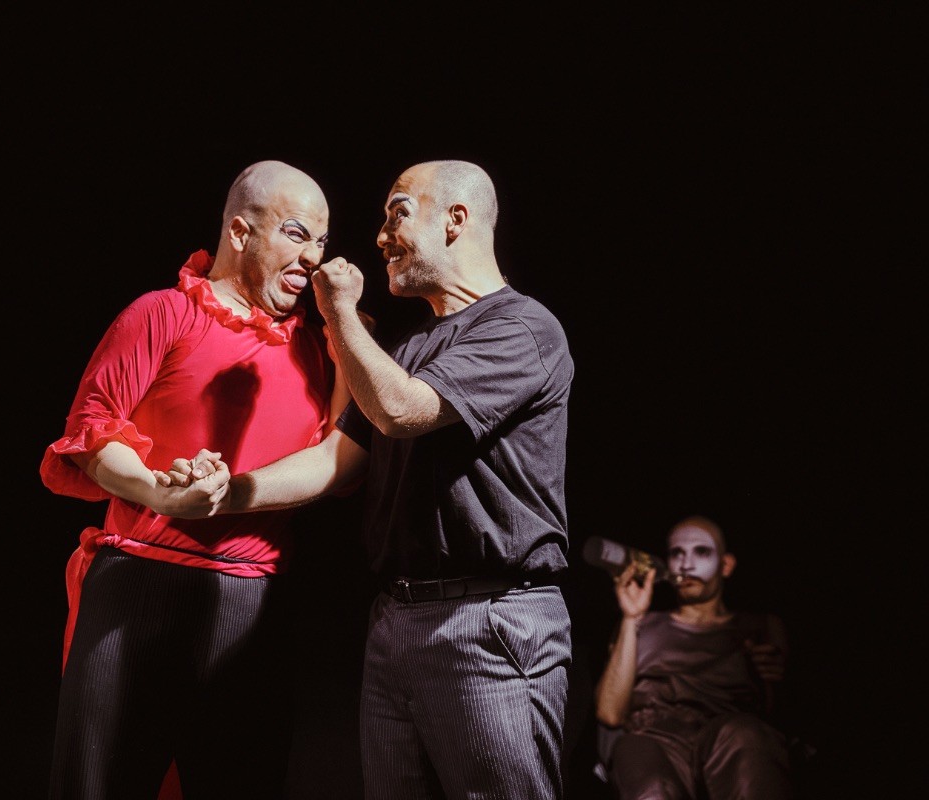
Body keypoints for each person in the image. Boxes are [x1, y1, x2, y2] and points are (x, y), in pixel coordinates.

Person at [161, 160, 575, 799]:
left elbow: (402, 411)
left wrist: (340, 314)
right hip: (398, 621)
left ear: (456, 220)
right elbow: (337, 461)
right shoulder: (407, 351)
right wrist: (224, 495)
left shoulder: (521, 327)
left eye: (397, 214)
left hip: (489, 620)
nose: (380, 237)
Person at [39, 159, 350, 800]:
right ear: (239, 232)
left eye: (321, 241)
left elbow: (340, 464)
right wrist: (161, 492)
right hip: (141, 586)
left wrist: (347, 336)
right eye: (296, 234)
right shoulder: (164, 314)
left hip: (253, 604)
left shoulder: (317, 347)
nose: (313, 258)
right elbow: (93, 433)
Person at [592, 515, 794, 800]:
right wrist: (631, 618)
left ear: (726, 565)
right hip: (653, 737)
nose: (686, 565)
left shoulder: (759, 626)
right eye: (677, 553)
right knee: (648, 780)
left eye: (701, 552)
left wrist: (772, 677)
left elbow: (778, 717)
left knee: (747, 742)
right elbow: (610, 713)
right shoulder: (645, 624)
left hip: (731, 735)